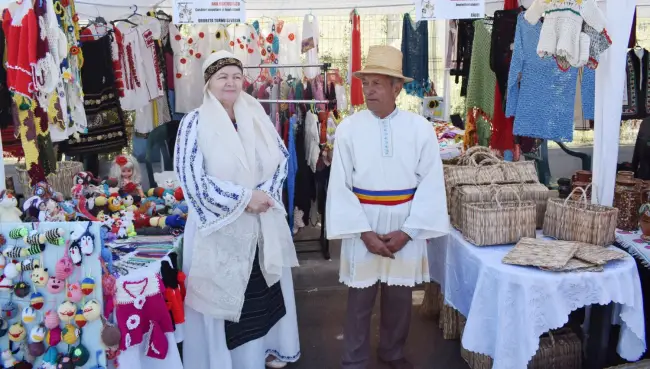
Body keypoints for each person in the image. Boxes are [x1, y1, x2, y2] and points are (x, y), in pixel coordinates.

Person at [175, 50, 301, 369]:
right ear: (209, 83)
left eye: (235, 76)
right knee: (229, 306)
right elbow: (192, 180)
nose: (230, 83)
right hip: (219, 230)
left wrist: (264, 196)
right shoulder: (194, 122)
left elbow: (281, 157)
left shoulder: (254, 112)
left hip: (260, 222)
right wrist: (245, 198)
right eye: (222, 77)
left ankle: (261, 354)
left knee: (262, 297)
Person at [326, 45, 450, 369]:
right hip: (362, 220)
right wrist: (365, 233)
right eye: (365, 83)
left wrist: (408, 232)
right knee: (359, 298)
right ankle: (354, 359)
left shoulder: (420, 129)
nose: (369, 90)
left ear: (397, 87)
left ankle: (392, 352)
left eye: (377, 83)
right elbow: (339, 185)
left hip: (405, 221)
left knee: (399, 298)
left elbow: (431, 182)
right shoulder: (349, 129)